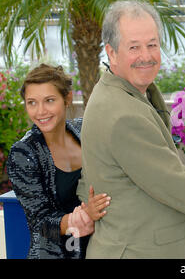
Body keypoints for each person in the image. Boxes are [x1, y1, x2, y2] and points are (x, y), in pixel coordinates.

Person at [76, 0, 185, 258]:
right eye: (134, 47)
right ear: (111, 53)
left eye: (152, 45)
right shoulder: (122, 113)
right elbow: (176, 185)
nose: (146, 56)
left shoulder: (126, 91)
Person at [6, 64, 110, 259]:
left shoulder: (83, 130)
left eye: (49, 100)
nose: (40, 111)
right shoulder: (23, 153)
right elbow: (40, 222)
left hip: (99, 249)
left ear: (67, 99)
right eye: (32, 102)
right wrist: (83, 216)